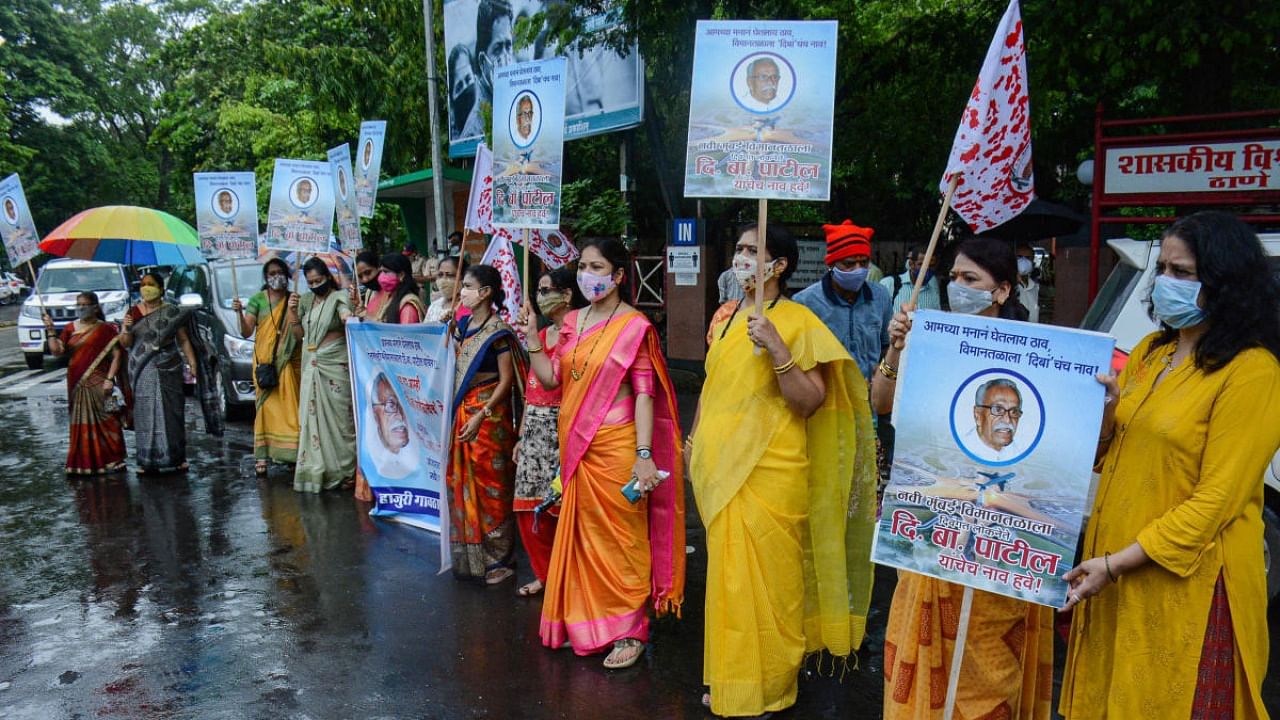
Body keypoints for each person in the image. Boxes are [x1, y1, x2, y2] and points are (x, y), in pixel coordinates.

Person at [1059, 212, 1280, 719]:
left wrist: (1117, 565)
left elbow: (1216, 502)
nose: (1164, 283)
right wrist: (1109, 414)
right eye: (1162, 268)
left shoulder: (1252, 372)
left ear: (1224, 285)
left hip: (1188, 584)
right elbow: (1106, 457)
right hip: (1115, 569)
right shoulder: (1150, 352)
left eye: (1182, 273)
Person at [692, 224, 878, 717]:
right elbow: (713, 387)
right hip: (721, 467)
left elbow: (811, 401)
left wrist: (777, 348)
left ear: (781, 265)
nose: (743, 258)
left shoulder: (796, 321)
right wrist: (695, 443)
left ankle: (772, 681)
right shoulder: (726, 317)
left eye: (755, 251)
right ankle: (732, 676)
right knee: (729, 582)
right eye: (739, 249)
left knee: (772, 582)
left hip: (773, 471)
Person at [870, 235, 1049, 720]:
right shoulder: (930, 345)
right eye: (953, 278)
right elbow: (881, 403)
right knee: (924, 660)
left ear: (1003, 291)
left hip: (996, 548)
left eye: (971, 279)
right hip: (932, 531)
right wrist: (896, 348)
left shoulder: (1037, 357)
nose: (956, 287)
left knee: (986, 673)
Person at [523, 237, 685, 670]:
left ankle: (631, 631)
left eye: (597, 267)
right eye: (583, 266)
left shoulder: (635, 327)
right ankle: (586, 625)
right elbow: (554, 379)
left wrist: (645, 454)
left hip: (618, 447)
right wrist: (531, 341)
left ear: (616, 276)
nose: (586, 275)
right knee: (582, 540)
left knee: (623, 541)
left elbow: (646, 396)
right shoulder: (572, 321)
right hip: (578, 445)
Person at [447, 264, 524, 584]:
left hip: (489, 417)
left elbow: (507, 380)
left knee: (492, 484)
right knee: (462, 482)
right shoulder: (462, 325)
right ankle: (472, 555)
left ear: (485, 293)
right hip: (464, 412)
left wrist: (482, 413)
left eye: (466, 286)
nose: (461, 290)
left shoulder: (498, 331)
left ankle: (499, 559)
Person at [512, 266, 586, 597]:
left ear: (567, 294)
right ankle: (544, 573)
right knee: (527, 506)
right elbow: (532, 388)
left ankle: (566, 578)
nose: (540, 298)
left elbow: (554, 381)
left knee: (562, 508)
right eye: (539, 291)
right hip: (534, 430)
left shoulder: (579, 335)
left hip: (565, 428)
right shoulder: (541, 338)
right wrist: (522, 434)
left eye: (545, 290)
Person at [793, 219, 892, 385]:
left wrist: (881, 374)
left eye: (864, 262)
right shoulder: (805, 302)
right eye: (849, 264)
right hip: (829, 402)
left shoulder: (880, 295)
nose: (858, 270)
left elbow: (887, 345)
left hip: (870, 401)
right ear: (831, 264)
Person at [120, 272, 201, 476]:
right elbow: (125, 344)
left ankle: (176, 457)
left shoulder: (172, 311)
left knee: (171, 412)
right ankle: (147, 460)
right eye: (143, 284)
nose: (147, 288)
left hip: (169, 366)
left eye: (151, 284)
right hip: (143, 368)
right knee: (145, 412)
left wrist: (192, 362)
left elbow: (183, 340)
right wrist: (127, 328)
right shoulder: (133, 312)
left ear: (161, 288)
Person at [45, 292, 128, 476]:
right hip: (77, 381)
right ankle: (85, 461)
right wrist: (50, 331)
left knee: (109, 417)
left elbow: (117, 356)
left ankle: (114, 459)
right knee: (81, 420)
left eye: (85, 304)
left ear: (96, 307)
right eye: (78, 304)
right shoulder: (69, 328)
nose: (81, 307)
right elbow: (57, 351)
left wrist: (109, 379)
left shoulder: (105, 329)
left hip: (101, 380)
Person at [293, 258, 356, 493]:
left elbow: (344, 314)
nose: (315, 285)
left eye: (319, 280)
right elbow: (299, 334)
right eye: (310, 282)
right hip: (313, 362)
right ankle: (322, 469)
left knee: (341, 420)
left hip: (335, 365)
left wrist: (349, 315)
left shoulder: (339, 297)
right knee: (314, 419)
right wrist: (292, 312)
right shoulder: (306, 301)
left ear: (328, 277)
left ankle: (346, 469)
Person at [233, 259, 302, 476]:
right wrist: (238, 313)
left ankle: (292, 454)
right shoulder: (257, 301)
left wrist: (294, 310)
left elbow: (300, 333)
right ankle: (262, 457)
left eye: (280, 272)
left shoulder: (294, 299)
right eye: (272, 273)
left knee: (292, 410)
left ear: (287, 276)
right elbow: (246, 332)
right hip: (266, 365)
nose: (276, 276)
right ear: (265, 277)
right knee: (265, 410)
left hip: (290, 363)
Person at [963, 377, 1028, 461]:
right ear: (978, 415)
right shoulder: (963, 449)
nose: (1007, 420)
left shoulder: (1018, 454)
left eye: (1014, 411)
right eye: (998, 410)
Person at [355, 253, 426, 324]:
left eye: (385, 272)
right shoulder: (392, 297)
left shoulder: (407, 306)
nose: (381, 276)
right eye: (381, 272)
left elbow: (405, 333)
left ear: (401, 275)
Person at [882, 245, 945, 312]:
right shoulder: (889, 284)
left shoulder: (933, 292)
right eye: (922, 264)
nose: (927, 268)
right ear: (911, 264)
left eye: (931, 265)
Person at [426, 255, 466, 323]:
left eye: (450, 275)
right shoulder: (434, 306)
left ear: (463, 278)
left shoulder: (467, 306)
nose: (443, 280)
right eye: (440, 275)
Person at [1015, 241, 1040, 323]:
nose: (1023, 260)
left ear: (1032, 261)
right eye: (1019, 257)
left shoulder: (1035, 287)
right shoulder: (1007, 285)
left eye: (1028, 257)